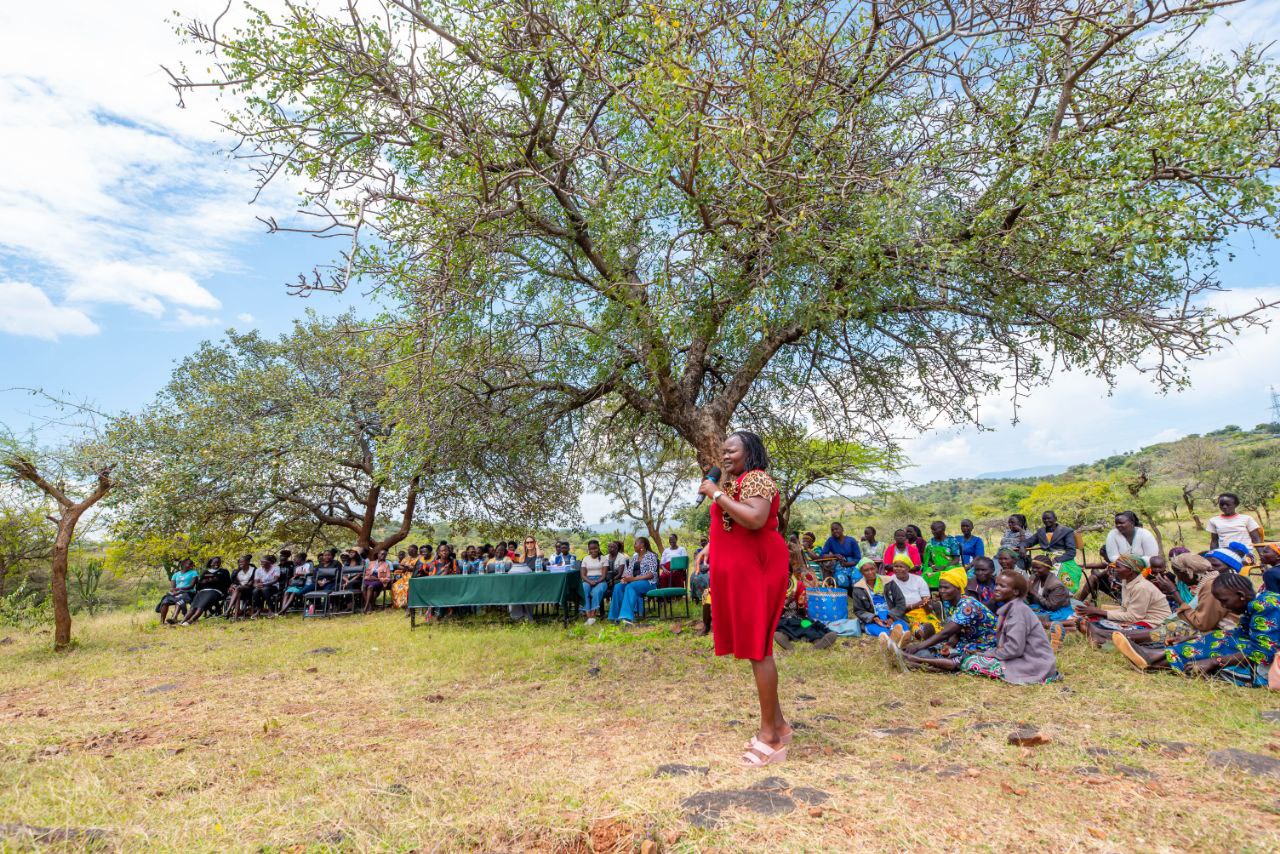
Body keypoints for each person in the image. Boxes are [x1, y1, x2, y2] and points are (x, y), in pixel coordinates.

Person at [697, 431, 792, 768]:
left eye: (731, 450)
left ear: (749, 451)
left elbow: (755, 519)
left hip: (760, 570)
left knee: (758, 648)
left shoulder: (757, 479)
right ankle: (780, 724)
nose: (724, 456)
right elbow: (736, 521)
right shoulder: (740, 482)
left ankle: (770, 737)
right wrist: (714, 544)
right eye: (722, 451)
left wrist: (716, 493)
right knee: (755, 649)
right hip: (743, 570)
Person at [1112, 572, 1280, 686]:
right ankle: (1153, 659)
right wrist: (1193, 639)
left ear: (1241, 596)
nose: (1223, 606)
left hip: (1269, 667)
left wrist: (1214, 661)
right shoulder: (1254, 604)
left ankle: (1154, 660)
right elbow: (1237, 634)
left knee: (1223, 645)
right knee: (1221, 638)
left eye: (1224, 601)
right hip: (1264, 655)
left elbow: (1261, 653)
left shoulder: (1266, 606)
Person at [954, 570, 1059, 684]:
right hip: (1027, 659)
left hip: (1034, 664)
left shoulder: (1018, 611)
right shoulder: (1011, 609)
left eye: (1002, 586)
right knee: (973, 656)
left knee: (971, 661)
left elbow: (1014, 649)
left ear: (1015, 591)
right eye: (997, 584)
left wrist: (988, 654)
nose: (996, 588)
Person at [892, 567, 998, 670]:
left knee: (955, 659)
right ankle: (913, 659)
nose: (942, 591)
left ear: (958, 588)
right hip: (966, 640)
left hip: (985, 643)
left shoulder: (968, 605)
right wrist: (949, 645)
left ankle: (916, 660)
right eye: (940, 587)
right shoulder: (948, 602)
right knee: (934, 650)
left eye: (946, 587)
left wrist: (918, 646)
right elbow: (955, 632)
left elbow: (946, 633)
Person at [1074, 554, 1172, 645]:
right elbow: (1125, 609)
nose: (1115, 569)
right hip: (1141, 618)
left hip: (1154, 624)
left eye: (1118, 567)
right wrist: (1099, 612)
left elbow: (1134, 617)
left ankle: (1101, 636)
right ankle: (1097, 632)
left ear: (1130, 570)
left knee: (1112, 627)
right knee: (1097, 619)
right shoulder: (1127, 581)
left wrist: (1100, 612)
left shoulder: (1141, 587)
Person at [851, 558, 908, 638]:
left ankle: (899, 636)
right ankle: (894, 637)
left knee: (901, 627)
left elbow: (900, 601)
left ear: (876, 568)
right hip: (874, 618)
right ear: (861, 572)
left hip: (891, 614)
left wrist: (892, 617)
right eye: (866, 570)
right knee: (882, 631)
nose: (870, 572)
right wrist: (874, 618)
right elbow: (859, 610)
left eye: (872, 569)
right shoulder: (858, 587)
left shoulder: (888, 581)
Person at [609, 536, 659, 624]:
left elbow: (651, 574)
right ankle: (615, 616)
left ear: (642, 545)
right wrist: (625, 579)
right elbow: (629, 572)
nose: (634, 545)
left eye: (636, 543)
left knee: (631, 586)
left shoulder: (651, 556)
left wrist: (634, 579)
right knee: (618, 587)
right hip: (634, 582)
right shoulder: (635, 557)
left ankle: (626, 617)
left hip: (648, 583)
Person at [886, 556, 936, 637]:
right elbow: (893, 606)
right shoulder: (889, 581)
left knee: (930, 621)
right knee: (912, 624)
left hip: (920, 610)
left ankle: (929, 630)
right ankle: (920, 633)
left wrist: (926, 604)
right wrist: (913, 606)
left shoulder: (918, 580)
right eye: (895, 566)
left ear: (908, 568)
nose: (897, 569)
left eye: (901, 566)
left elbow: (925, 599)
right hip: (901, 613)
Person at [179, 558, 231, 624]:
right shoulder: (205, 572)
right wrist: (204, 582)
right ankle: (182, 622)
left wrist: (217, 580)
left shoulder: (224, 571)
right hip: (203, 591)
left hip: (216, 591)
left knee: (201, 606)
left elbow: (228, 583)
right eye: (215, 562)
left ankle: (190, 621)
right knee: (193, 607)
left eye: (218, 562)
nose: (217, 564)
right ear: (211, 563)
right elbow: (199, 584)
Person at [1027, 555, 1073, 623]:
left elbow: (1051, 606)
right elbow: (1030, 598)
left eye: (1038, 568)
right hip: (1039, 606)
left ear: (1048, 568)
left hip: (1057, 610)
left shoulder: (1057, 585)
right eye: (1033, 568)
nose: (1034, 570)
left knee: (1031, 616)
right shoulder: (1033, 577)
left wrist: (1033, 592)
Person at [156, 558, 199, 624]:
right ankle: (162, 622)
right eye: (189, 563)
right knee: (165, 601)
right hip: (176, 592)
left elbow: (191, 586)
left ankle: (174, 618)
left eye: (192, 564)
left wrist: (179, 590)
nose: (191, 565)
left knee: (179, 598)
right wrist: (174, 591)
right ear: (183, 564)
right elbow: (173, 587)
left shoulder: (193, 573)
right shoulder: (176, 574)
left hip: (188, 592)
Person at [922, 520, 960, 585]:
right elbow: (928, 559)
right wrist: (933, 566)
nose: (932, 532)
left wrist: (944, 567)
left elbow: (956, 559)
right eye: (932, 530)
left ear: (942, 530)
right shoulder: (930, 542)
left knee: (949, 576)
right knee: (926, 575)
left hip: (950, 566)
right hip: (935, 567)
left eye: (934, 530)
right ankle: (931, 593)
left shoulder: (952, 541)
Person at [580, 539, 608, 624]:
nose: (593, 550)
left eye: (595, 548)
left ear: (598, 548)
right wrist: (590, 581)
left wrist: (596, 581)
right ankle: (589, 616)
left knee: (596, 591)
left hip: (600, 581)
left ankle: (592, 616)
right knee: (584, 589)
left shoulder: (604, 559)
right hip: (587, 580)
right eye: (591, 549)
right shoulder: (585, 559)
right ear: (588, 549)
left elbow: (603, 576)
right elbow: (583, 575)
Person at [225, 555, 256, 619]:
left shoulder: (253, 570)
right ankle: (236, 616)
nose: (240, 564)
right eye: (239, 562)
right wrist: (232, 585)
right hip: (239, 590)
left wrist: (242, 586)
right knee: (238, 592)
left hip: (250, 590)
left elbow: (251, 583)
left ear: (247, 562)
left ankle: (228, 610)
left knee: (238, 588)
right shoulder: (237, 571)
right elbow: (233, 582)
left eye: (242, 562)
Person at [362, 549, 393, 614]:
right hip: (370, 579)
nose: (383, 556)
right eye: (381, 554)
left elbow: (388, 578)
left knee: (370, 587)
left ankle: (366, 607)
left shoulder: (386, 565)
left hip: (379, 581)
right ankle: (371, 606)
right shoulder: (371, 563)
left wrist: (378, 579)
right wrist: (368, 577)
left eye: (385, 555)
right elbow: (366, 573)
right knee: (363, 587)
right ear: (378, 554)